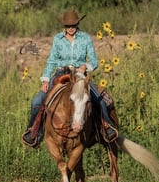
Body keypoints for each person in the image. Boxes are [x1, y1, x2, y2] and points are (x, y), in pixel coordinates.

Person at [21, 10, 118, 148]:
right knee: (37, 100)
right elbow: (52, 60)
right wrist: (45, 79)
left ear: (77, 24)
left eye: (73, 25)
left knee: (99, 99)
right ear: (64, 26)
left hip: (79, 76)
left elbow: (94, 60)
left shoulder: (85, 38)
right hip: (61, 74)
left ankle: (106, 127)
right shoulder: (57, 39)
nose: (71, 28)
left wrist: (85, 66)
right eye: (68, 26)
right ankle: (34, 132)